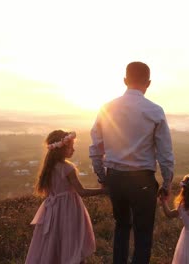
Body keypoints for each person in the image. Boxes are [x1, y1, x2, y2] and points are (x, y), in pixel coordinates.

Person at [89, 61, 174, 264]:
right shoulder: (155, 111)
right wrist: (167, 183)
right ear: (149, 83)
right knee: (143, 232)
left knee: (121, 227)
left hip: (115, 177)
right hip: (143, 180)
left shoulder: (106, 108)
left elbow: (95, 148)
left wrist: (102, 177)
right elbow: (165, 153)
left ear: (125, 80)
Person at [26, 130, 105, 264]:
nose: (73, 150)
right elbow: (82, 192)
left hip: (52, 211)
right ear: (61, 149)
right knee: (71, 239)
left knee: (53, 240)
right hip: (69, 210)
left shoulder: (48, 168)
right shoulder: (67, 168)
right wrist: (103, 191)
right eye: (70, 147)